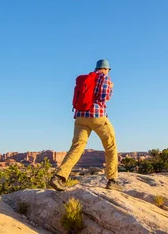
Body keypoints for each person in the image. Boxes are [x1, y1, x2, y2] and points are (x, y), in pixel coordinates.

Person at [49, 59, 121, 191]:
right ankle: (112, 180)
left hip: (80, 117)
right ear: (106, 69)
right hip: (97, 116)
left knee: (77, 147)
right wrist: (111, 88)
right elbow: (103, 97)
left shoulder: (87, 78)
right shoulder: (104, 77)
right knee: (110, 145)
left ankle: (59, 177)